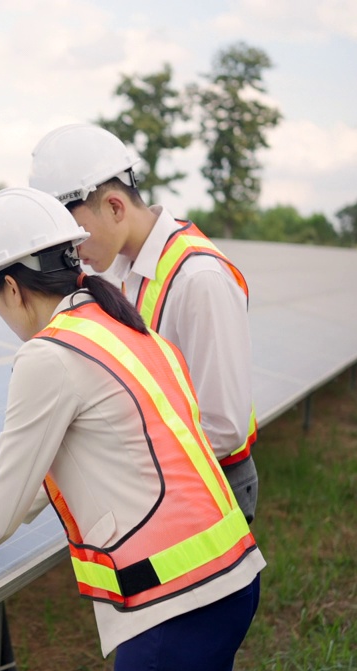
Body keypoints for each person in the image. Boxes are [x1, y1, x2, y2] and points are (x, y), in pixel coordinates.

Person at [0, 187, 265, 671]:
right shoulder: (122, 326)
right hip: (227, 581)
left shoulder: (51, 355)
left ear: (14, 289)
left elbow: (9, 487)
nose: (1, 313)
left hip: (175, 604)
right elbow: (45, 475)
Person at [29, 123, 259, 525]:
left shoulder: (198, 279)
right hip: (161, 481)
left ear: (115, 207)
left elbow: (223, 427)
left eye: (74, 235)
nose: (71, 253)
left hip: (209, 486)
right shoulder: (119, 271)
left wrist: (113, 459)